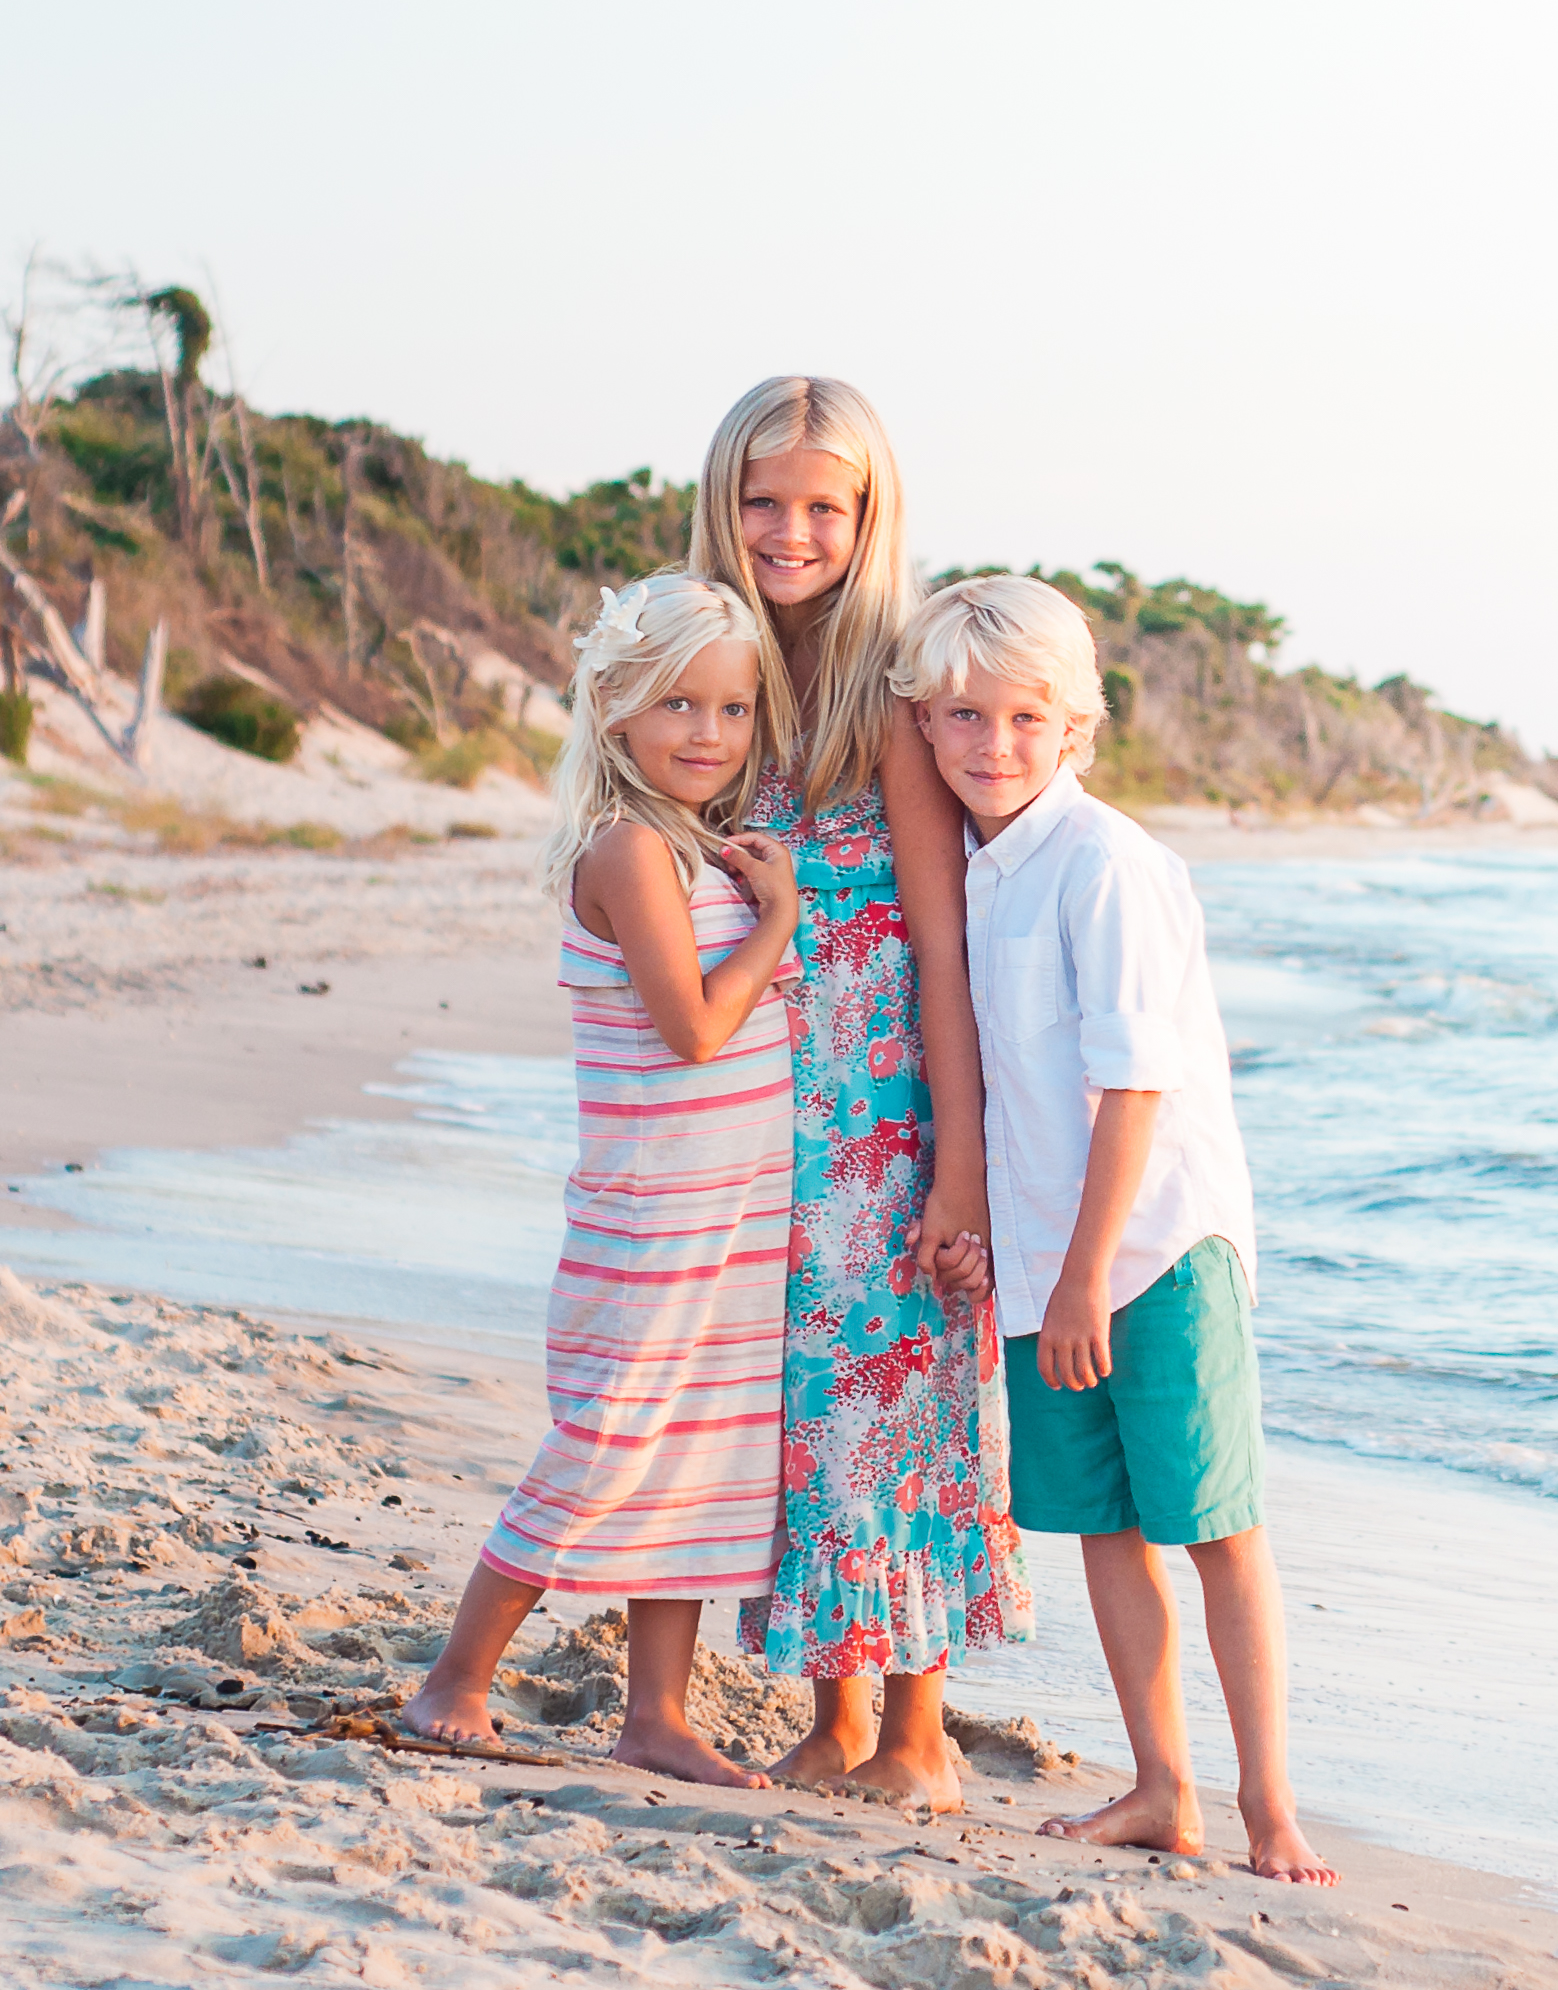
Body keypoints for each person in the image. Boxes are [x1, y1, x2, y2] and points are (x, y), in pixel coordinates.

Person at [890, 571, 1335, 1884]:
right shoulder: (971, 872)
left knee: (1215, 1523)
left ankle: (1270, 1806)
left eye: (1027, 719)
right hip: (1046, 1258)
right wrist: (991, 1235)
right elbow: (1006, 1087)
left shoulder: (1108, 865)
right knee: (1102, 1522)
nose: (994, 745)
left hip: (1155, 1249)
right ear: (924, 724)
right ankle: (1161, 1787)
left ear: (1077, 728)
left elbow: (1133, 1089)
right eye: (964, 717)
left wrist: (1088, 1275)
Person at [692, 377, 1030, 1812]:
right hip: (761, 1105)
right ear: (725, 503)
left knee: (899, 1398)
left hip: (884, 1112)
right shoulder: (706, 665)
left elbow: (942, 939)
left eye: (824, 505)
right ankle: (833, 1717)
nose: (790, 530)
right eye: (764, 500)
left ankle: (915, 1730)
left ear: (868, 514)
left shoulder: (891, 687)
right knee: (799, 1401)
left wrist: (959, 1166)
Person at [401, 573, 797, 1787]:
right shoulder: (631, 849)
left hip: (729, 1212)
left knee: (694, 1452)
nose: (707, 734)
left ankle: (657, 1715)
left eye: (733, 712)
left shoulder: (702, 850)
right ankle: (455, 1678)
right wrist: (778, 920)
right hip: (652, 1216)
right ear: (616, 706)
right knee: (608, 1436)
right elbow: (691, 1028)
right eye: (679, 704)